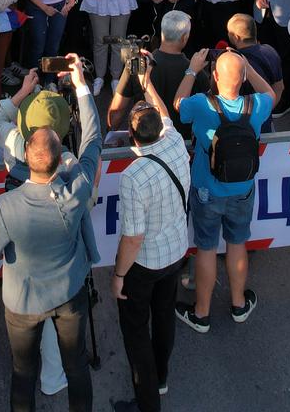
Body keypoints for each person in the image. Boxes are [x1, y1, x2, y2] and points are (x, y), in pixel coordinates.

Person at [0, 54, 101, 412]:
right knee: (76, 366)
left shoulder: (5, 203)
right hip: (69, 293)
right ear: (61, 147)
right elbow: (92, 138)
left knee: (22, 372)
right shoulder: (75, 184)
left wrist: (21, 93)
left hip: (22, 300)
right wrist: (80, 87)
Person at [173, 49, 276, 333]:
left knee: (206, 248)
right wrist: (248, 70)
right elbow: (271, 94)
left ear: (215, 76)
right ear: (242, 78)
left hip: (207, 188)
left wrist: (192, 70)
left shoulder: (201, 105)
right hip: (243, 188)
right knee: (237, 242)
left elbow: (178, 104)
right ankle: (239, 303)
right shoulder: (256, 104)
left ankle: (202, 313)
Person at [111, 68, 191, 412]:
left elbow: (133, 236)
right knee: (164, 317)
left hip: (144, 263)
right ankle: (160, 378)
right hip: (176, 252)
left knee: (135, 332)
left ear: (132, 136)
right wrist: (147, 84)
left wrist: (118, 276)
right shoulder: (173, 141)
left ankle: (147, 403)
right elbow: (163, 112)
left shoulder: (133, 175)